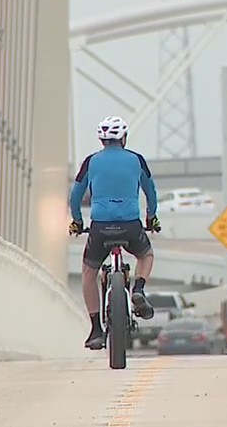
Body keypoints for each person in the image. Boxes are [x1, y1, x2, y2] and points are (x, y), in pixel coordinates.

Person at [68, 115, 162, 350]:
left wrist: (77, 222)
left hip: (100, 226)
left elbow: (75, 196)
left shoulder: (91, 162)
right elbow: (150, 191)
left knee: (89, 273)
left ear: (101, 140)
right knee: (146, 254)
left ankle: (96, 330)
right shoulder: (137, 160)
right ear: (124, 138)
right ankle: (138, 289)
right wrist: (151, 217)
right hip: (130, 224)